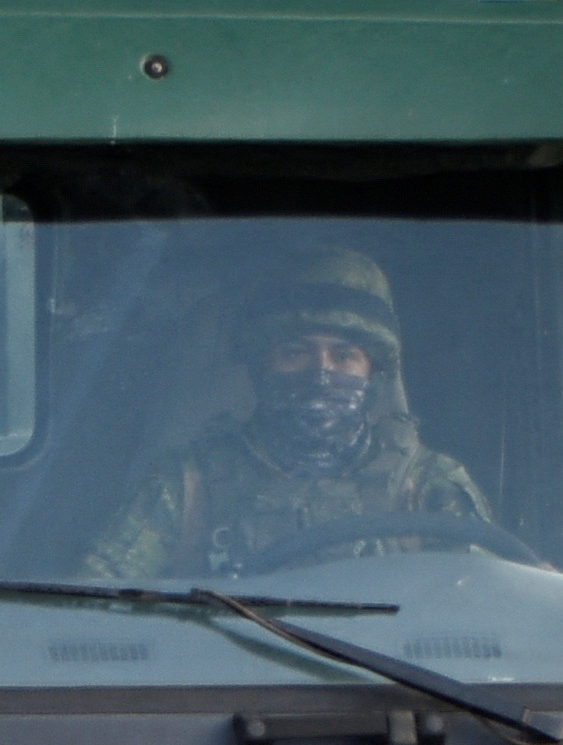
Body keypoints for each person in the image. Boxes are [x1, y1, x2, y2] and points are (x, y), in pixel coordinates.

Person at [76, 247, 495, 584]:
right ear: (261, 365)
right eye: (295, 352)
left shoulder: (428, 486)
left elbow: (488, 613)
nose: (321, 373)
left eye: (345, 355)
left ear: (374, 370)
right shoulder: (188, 485)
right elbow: (95, 607)